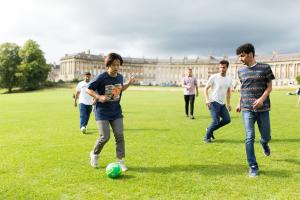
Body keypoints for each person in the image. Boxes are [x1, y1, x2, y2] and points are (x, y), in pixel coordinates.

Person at [86, 53, 134, 171]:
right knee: (105, 136)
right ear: (108, 65)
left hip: (116, 111)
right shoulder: (102, 77)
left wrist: (128, 84)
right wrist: (99, 97)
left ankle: (120, 160)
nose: (116, 67)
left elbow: (119, 89)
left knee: (119, 135)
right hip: (102, 112)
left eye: (118, 65)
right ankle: (95, 154)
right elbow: (88, 89)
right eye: (113, 65)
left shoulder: (119, 77)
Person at [235, 43, 275, 177]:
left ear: (250, 54)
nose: (240, 59)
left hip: (263, 109)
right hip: (247, 109)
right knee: (249, 137)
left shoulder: (265, 68)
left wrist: (261, 100)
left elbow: (269, 87)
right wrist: (239, 103)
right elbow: (243, 89)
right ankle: (253, 166)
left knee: (266, 136)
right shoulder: (241, 71)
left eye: (242, 56)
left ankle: (264, 143)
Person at [203, 60, 232, 143]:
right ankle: (206, 138)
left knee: (227, 119)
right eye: (220, 67)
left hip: (222, 103)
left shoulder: (229, 79)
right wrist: (207, 99)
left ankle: (209, 129)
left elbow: (229, 91)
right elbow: (205, 88)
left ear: (227, 68)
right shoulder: (214, 77)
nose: (222, 69)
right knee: (216, 121)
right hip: (213, 102)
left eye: (224, 67)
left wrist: (228, 103)